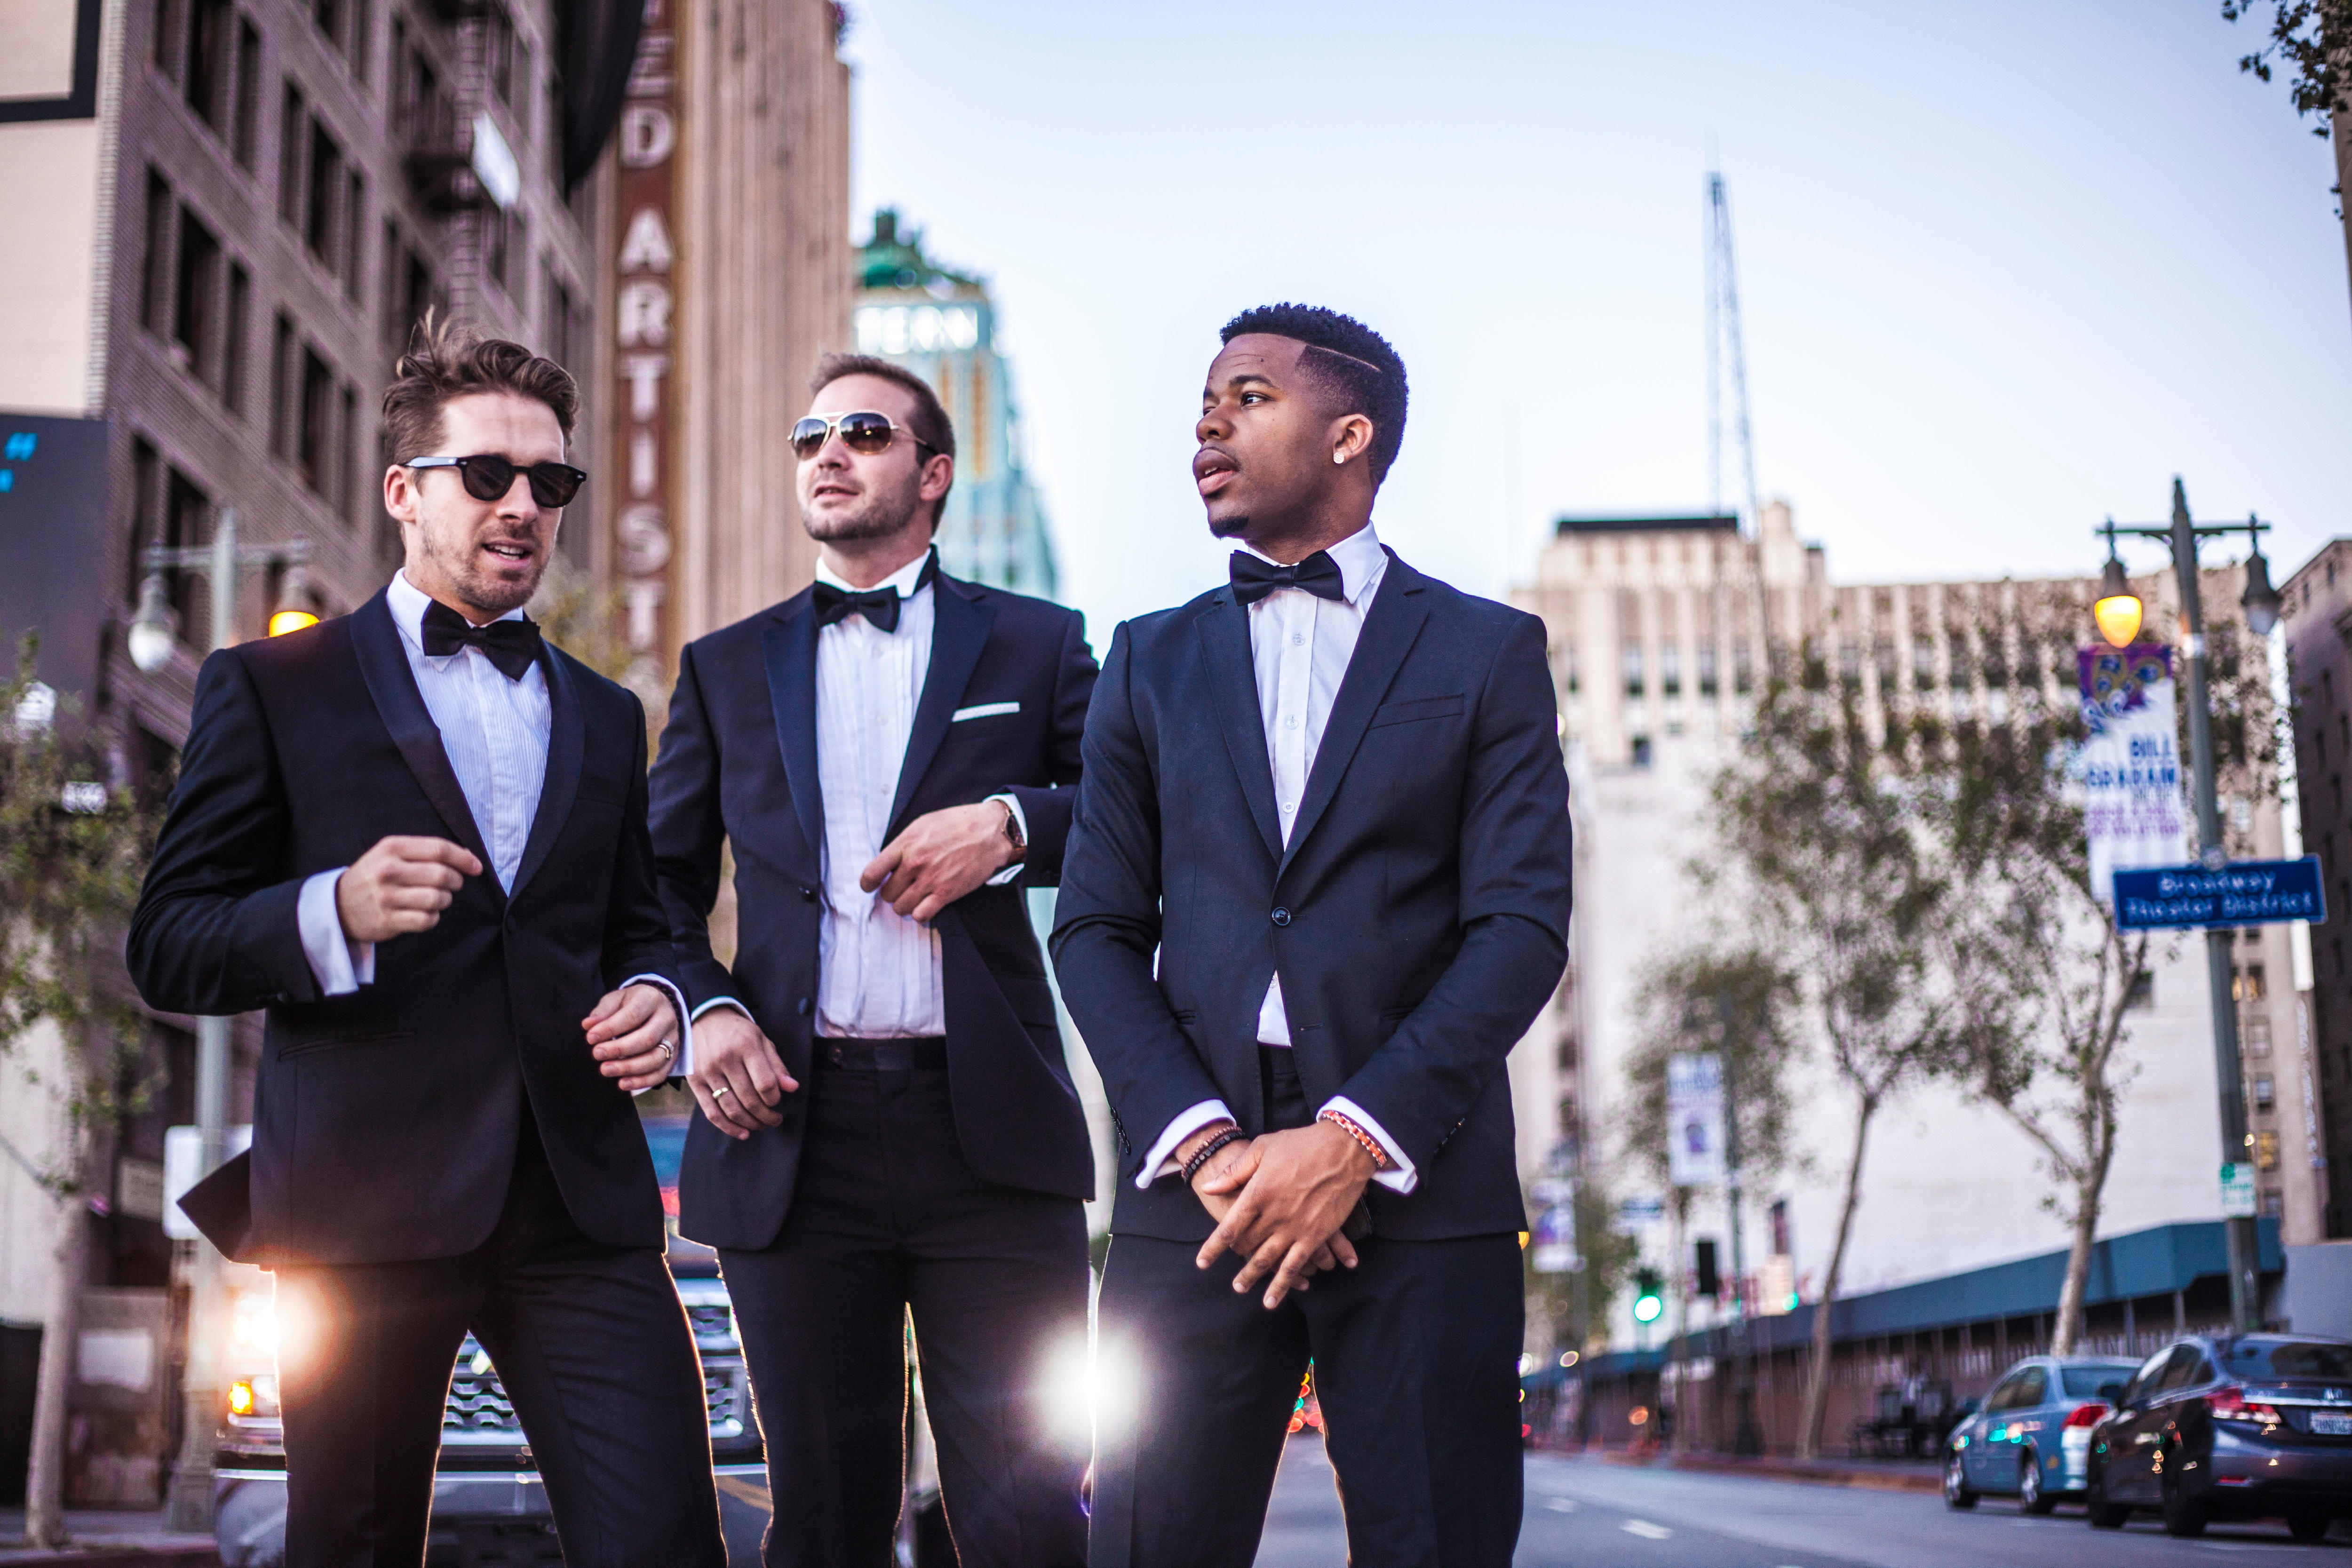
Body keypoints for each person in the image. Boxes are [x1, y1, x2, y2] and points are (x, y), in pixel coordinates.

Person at [126, 325, 724, 1568]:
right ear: (405, 491)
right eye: (488, 476)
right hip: (362, 1205)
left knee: (667, 1536)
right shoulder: (271, 689)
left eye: (550, 483)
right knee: (350, 1546)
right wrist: (328, 906)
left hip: (580, 1207)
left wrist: (664, 997)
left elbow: (641, 926)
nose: (524, 506)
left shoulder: (608, 717)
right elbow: (169, 945)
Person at [1050, 304, 1573, 1568]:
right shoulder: (1148, 660)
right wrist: (1211, 1147)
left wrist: (1355, 1139)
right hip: (1198, 1195)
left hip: (1422, 1178)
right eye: (1205, 401)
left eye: (1247, 397)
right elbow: (1097, 931)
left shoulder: (1489, 652)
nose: (1207, 422)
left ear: (1352, 436)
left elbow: (1520, 925)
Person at [648, 352, 1099, 1567]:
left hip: (989, 1134)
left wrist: (1006, 825)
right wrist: (705, 1010)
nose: (828, 453)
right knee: (827, 1522)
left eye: (862, 432)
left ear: (935, 473)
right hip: (798, 1130)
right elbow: (658, 888)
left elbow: (1130, 811)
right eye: (809, 437)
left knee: (1027, 1518)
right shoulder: (725, 667)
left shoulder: (1040, 644)